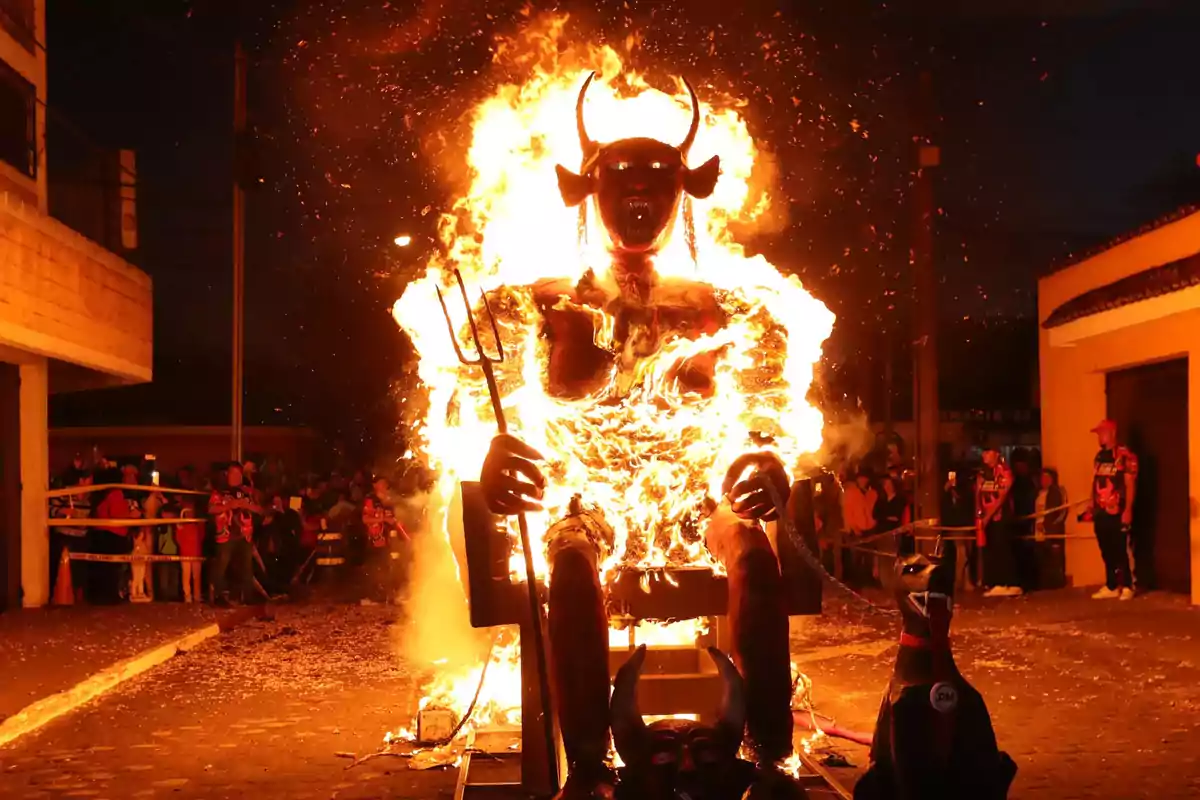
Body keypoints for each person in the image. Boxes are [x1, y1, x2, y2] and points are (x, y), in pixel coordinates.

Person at [1084, 419, 1138, 600]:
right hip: (1101, 510)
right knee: (1105, 547)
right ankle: (1111, 584)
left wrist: (1128, 509)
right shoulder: (1099, 456)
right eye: (1098, 433)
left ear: (1113, 433)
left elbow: (1130, 484)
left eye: (1102, 432)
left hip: (1118, 509)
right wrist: (1091, 503)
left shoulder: (1124, 455)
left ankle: (1128, 585)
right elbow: (1096, 480)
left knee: (1120, 547)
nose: (1099, 437)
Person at [208, 462, 262, 606]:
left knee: (246, 566)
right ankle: (219, 597)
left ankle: (247, 596)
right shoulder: (219, 492)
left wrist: (247, 505)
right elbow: (211, 509)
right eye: (234, 473)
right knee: (222, 565)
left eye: (239, 474)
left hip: (244, 534)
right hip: (226, 534)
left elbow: (259, 509)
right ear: (227, 474)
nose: (237, 477)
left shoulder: (246, 492)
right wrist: (228, 506)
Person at [976, 446, 1021, 597]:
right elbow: (979, 494)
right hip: (987, 519)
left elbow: (1002, 496)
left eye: (988, 452)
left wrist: (988, 516)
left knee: (1003, 548)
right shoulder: (982, 473)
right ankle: (995, 582)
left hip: (1001, 516)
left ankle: (1009, 583)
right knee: (991, 549)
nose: (984, 455)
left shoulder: (1004, 471)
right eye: (984, 452)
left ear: (996, 454)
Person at [48, 467, 94, 603]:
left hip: (81, 538)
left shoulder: (89, 499)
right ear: (81, 480)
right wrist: (63, 511)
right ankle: (58, 597)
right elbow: (50, 509)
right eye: (90, 480)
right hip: (64, 537)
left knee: (79, 571)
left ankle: (77, 599)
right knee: (61, 568)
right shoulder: (64, 493)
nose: (91, 484)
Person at [92, 469, 136, 603]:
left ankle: (104, 596)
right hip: (112, 536)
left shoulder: (100, 494)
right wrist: (132, 515)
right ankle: (111, 597)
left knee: (105, 569)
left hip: (102, 534)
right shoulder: (115, 493)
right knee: (112, 569)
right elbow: (118, 514)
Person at [840, 468, 877, 586]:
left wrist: (873, 523)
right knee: (856, 555)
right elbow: (847, 512)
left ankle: (867, 579)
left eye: (865, 478)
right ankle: (855, 581)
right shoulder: (851, 493)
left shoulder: (870, 493)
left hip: (868, 528)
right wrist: (853, 527)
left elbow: (871, 510)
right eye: (861, 478)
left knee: (868, 556)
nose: (863, 480)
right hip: (856, 529)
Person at [1034, 467, 1069, 590]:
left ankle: (1057, 583)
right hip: (1038, 531)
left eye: (1047, 478)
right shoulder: (1038, 493)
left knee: (1055, 557)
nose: (1044, 480)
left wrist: (1051, 526)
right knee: (1043, 558)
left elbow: (1062, 511)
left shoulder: (1058, 491)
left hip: (1052, 530)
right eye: (1042, 478)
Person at [175, 493, 205, 602]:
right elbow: (178, 539)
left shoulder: (198, 525)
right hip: (186, 554)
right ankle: (187, 596)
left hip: (196, 553)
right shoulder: (181, 526)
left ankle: (196, 596)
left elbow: (202, 537)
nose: (189, 513)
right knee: (186, 577)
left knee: (196, 577)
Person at [876, 475, 913, 556]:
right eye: (885, 485)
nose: (887, 487)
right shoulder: (881, 500)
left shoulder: (899, 499)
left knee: (893, 554)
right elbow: (875, 514)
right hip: (882, 533)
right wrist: (887, 517)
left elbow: (897, 516)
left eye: (890, 485)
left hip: (894, 533)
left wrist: (883, 517)